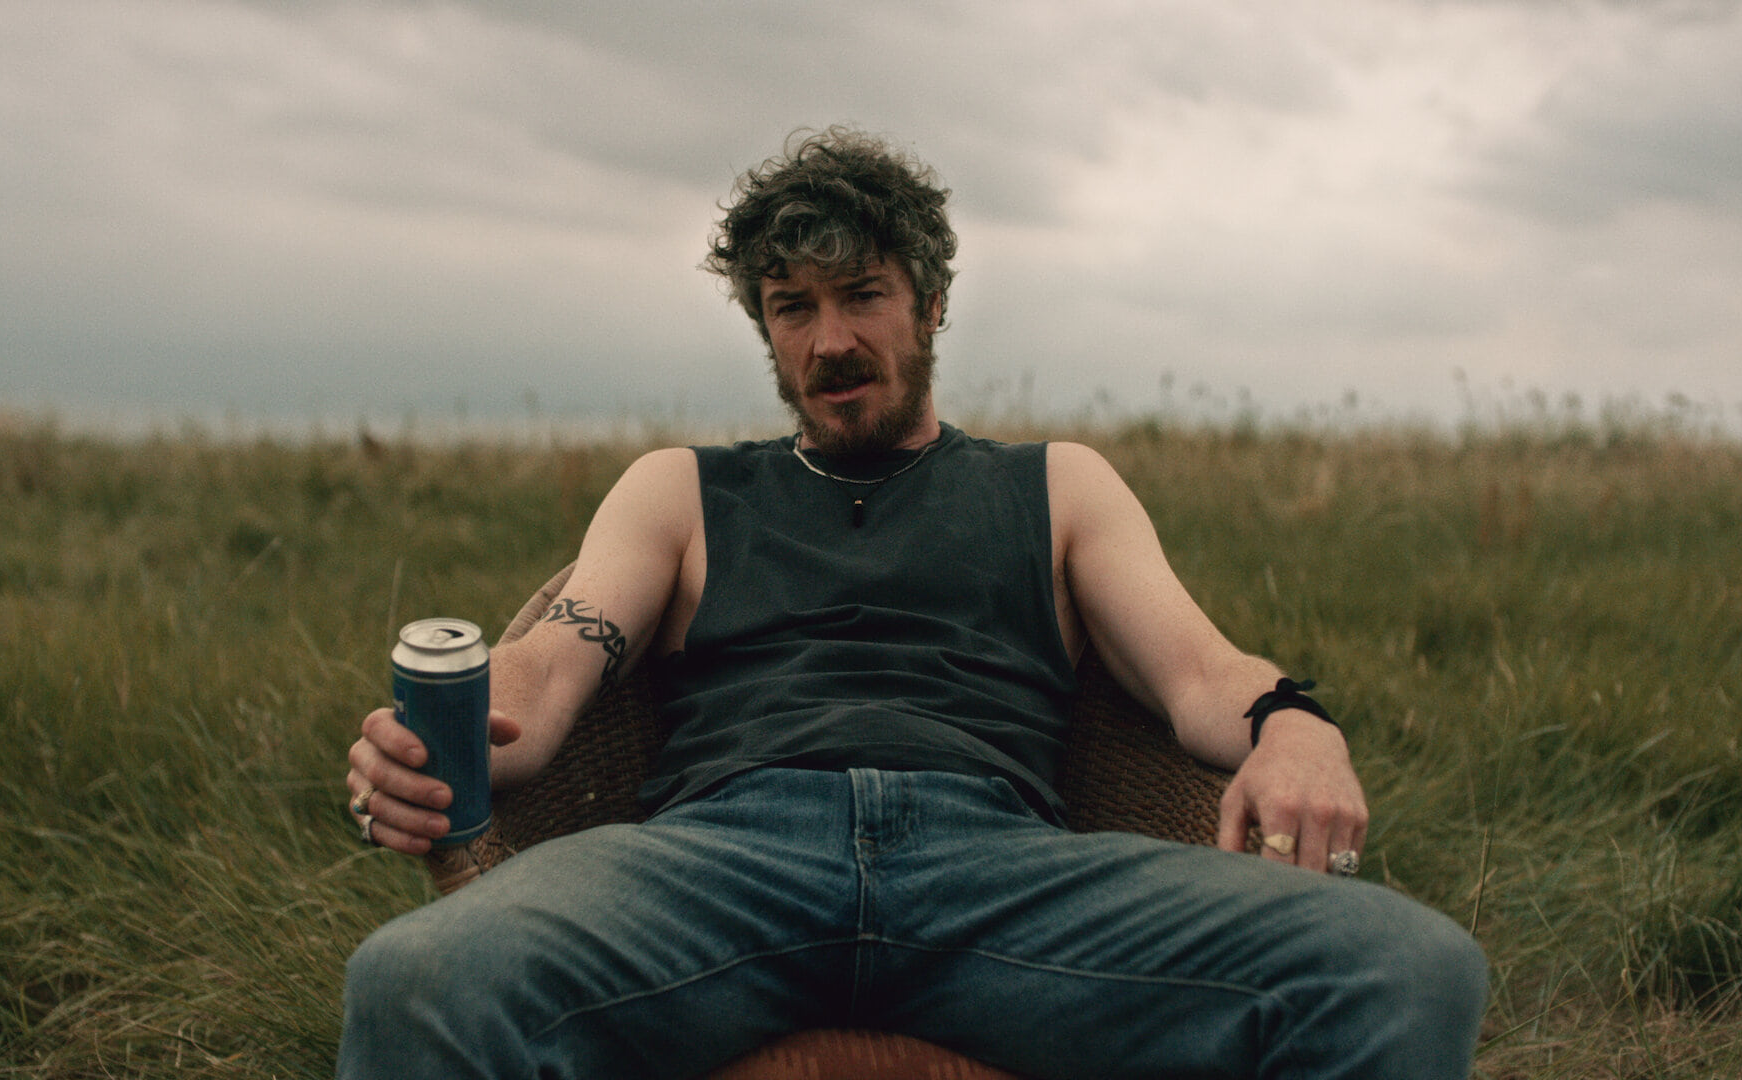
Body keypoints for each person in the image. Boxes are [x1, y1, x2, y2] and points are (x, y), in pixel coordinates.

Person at [339, 127, 1487, 1079]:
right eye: (792, 307)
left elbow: (1198, 671)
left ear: (931, 304)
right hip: (719, 868)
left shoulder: (1057, 486)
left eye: (863, 296)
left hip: (1002, 879)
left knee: (1405, 969)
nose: (830, 340)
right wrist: (446, 734)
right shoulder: (681, 490)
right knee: (416, 980)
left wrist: (1296, 724)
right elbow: (556, 660)